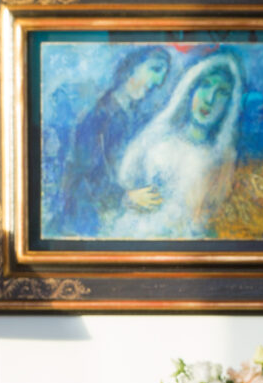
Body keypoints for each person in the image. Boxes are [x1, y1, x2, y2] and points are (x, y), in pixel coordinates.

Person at [111, 53, 241, 239]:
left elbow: (213, 219)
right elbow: (122, 181)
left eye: (222, 93)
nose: (209, 99)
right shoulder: (158, 135)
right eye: (205, 86)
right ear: (190, 89)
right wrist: (128, 197)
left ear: (230, 104)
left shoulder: (221, 159)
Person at [55, 43, 173, 238]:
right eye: (155, 69)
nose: (158, 80)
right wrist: (124, 197)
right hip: (87, 225)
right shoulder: (96, 119)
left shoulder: (140, 120)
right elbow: (84, 178)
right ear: (131, 66)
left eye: (162, 77)